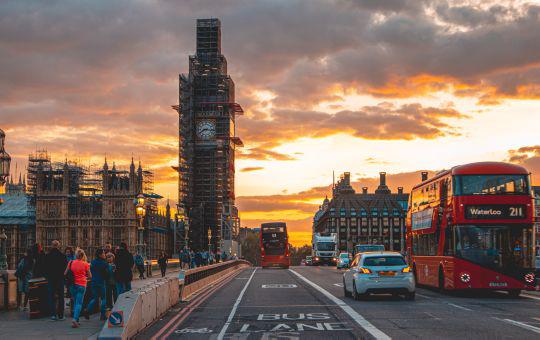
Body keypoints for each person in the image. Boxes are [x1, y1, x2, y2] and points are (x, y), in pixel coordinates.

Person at [65, 249, 91, 328]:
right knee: (79, 303)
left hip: (72, 285)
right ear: (83, 256)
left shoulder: (71, 262)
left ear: (76, 255)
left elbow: (65, 273)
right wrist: (84, 276)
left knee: (76, 302)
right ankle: (75, 319)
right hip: (82, 285)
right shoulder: (86, 264)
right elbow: (90, 276)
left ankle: (77, 320)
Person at [45, 240, 68, 321]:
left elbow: (45, 269)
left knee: (51, 297)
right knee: (61, 297)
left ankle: (53, 315)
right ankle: (61, 315)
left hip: (51, 279)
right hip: (60, 279)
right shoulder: (63, 256)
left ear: (52, 246)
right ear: (58, 246)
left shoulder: (47, 256)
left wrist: (48, 277)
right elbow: (66, 268)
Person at [85, 249, 108, 320]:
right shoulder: (104, 263)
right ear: (100, 255)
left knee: (95, 298)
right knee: (104, 299)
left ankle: (87, 310)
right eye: (104, 253)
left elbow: (90, 271)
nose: (105, 255)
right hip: (101, 282)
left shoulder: (93, 262)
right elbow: (106, 274)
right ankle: (103, 315)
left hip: (94, 282)